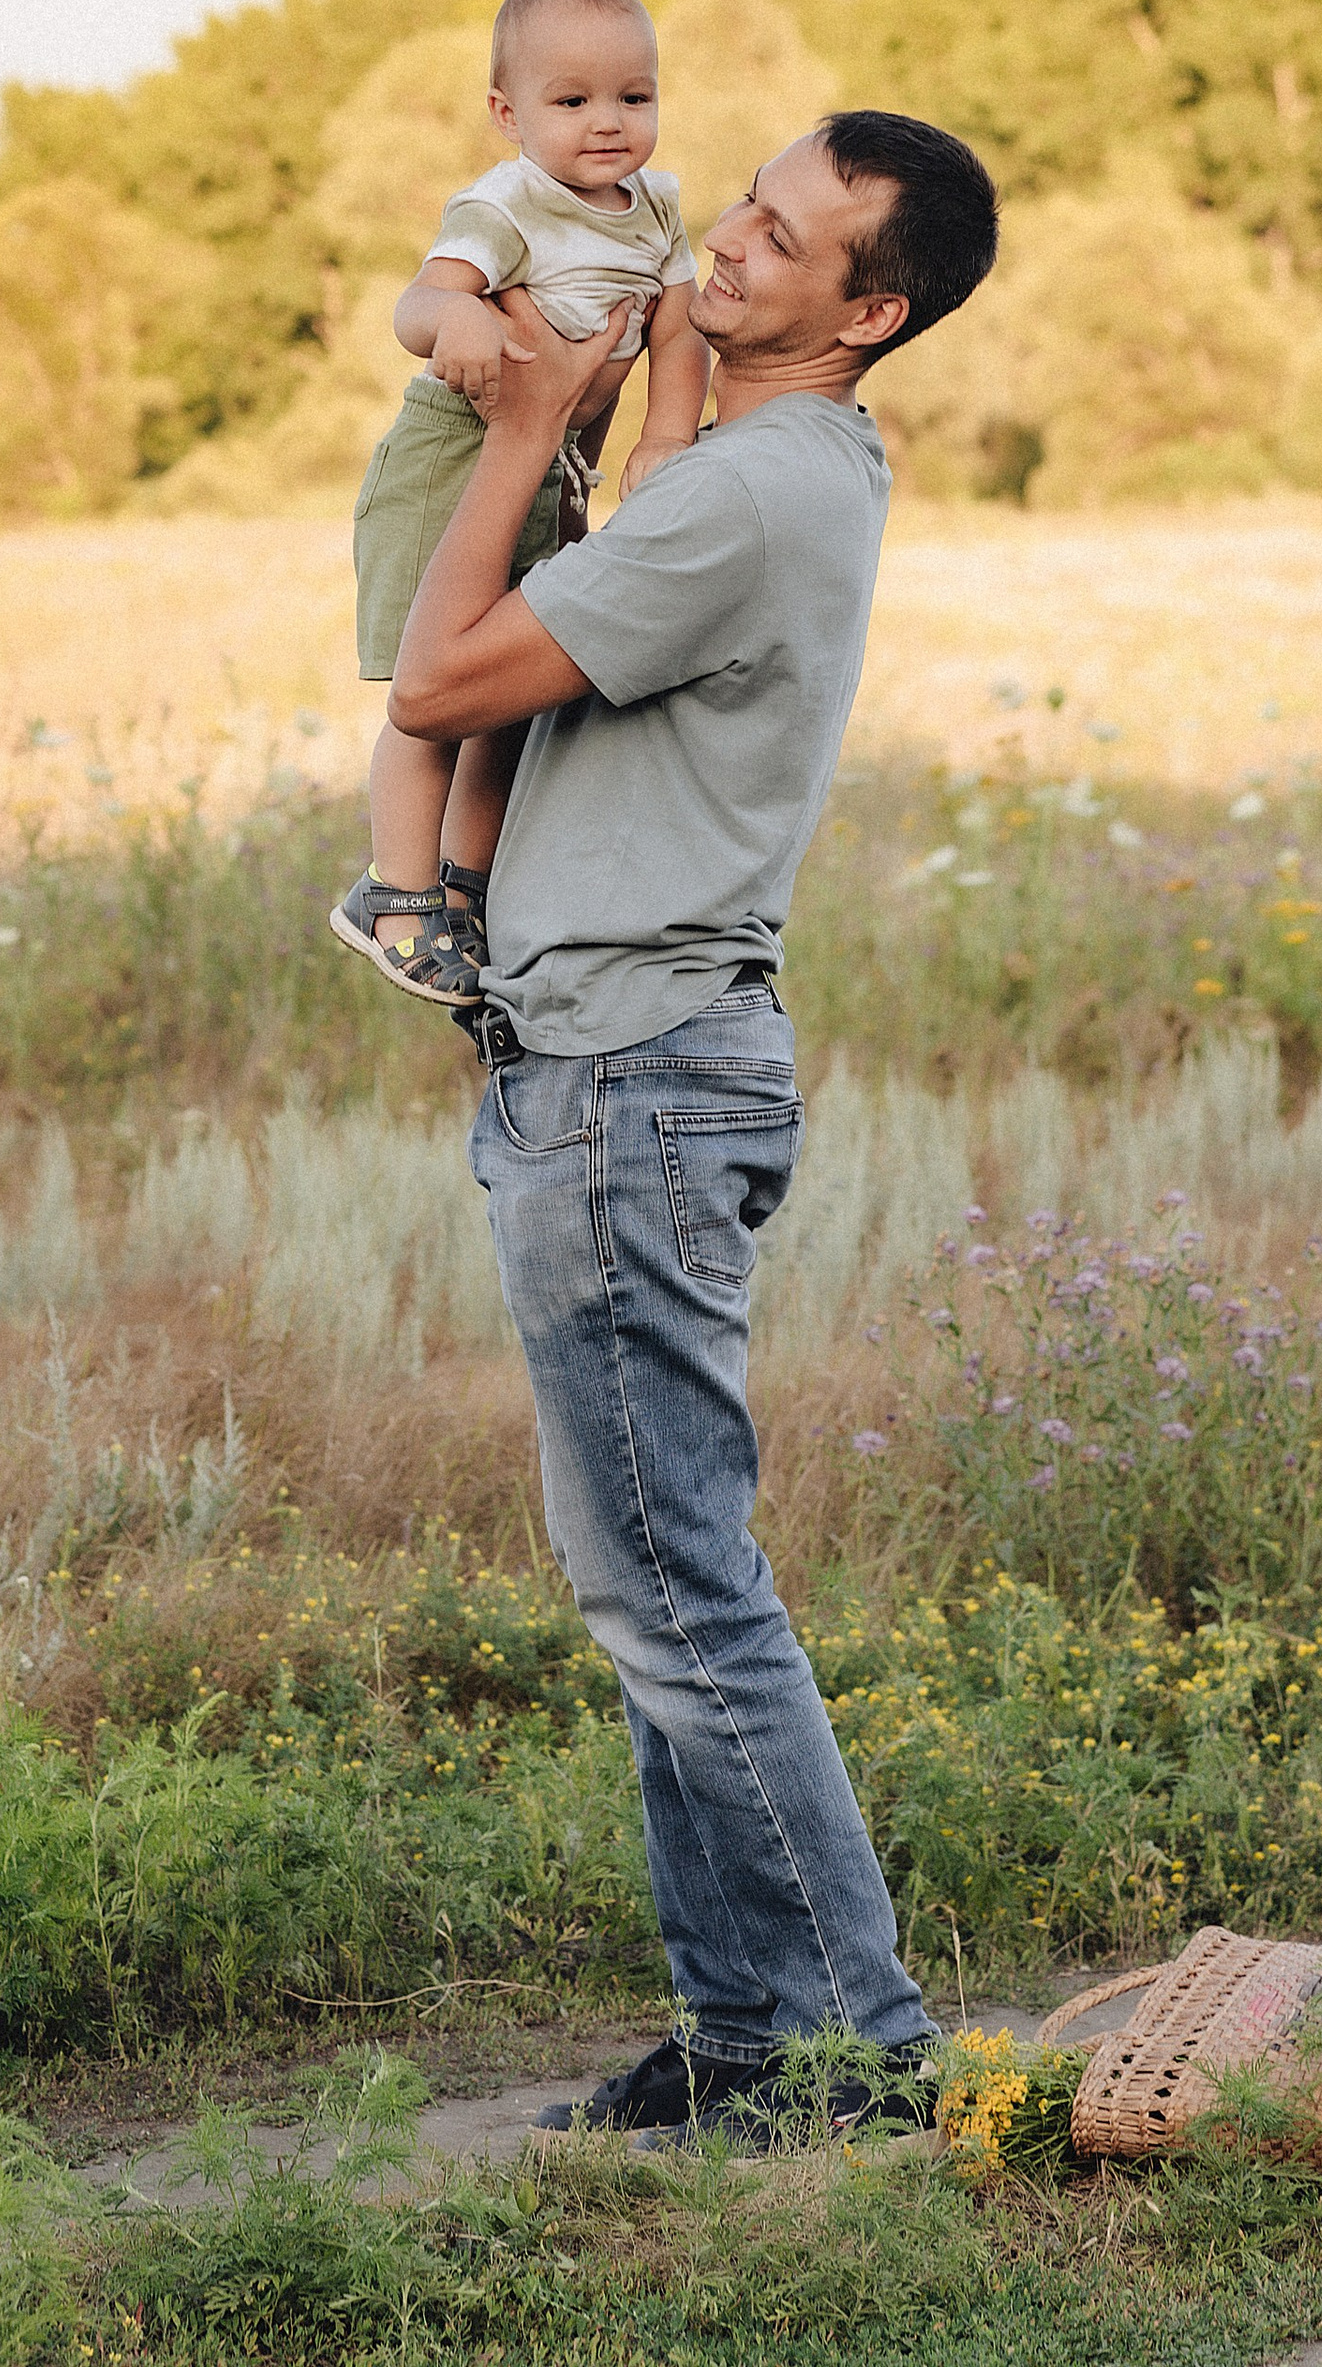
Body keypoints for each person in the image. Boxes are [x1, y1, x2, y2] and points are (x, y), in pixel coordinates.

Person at [390, 111, 999, 2141]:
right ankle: (746, 2040)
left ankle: (859, 2047)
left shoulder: (748, 492)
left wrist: (510, 434)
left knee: (675, 1589)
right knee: (652, 1576)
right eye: (735, 200)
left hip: (628, 1075)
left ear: (869, 306)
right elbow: (631, 533)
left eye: (781, 237)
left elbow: (438, 681)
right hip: (629, 1063)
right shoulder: (777, 467)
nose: (722, 240)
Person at [334, 0, 711, 1008]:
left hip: (558, 472)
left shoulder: (658, 209)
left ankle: (466, 885)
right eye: (572, 99)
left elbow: (677, 331)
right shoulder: (508, 205)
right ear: (507, 112)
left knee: (502, 697)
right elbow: (422, 300)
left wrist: (667, 432)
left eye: (634, 97)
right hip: (455, 456)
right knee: (432, 702)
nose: (608, 123)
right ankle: (394, 894)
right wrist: (452, 318)